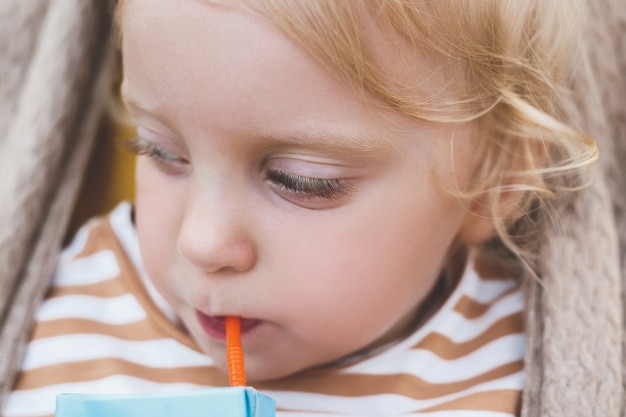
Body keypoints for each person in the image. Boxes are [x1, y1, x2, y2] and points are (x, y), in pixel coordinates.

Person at [2, 0, 598, 416]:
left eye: (301, 181)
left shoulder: (515, 364)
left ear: (495, 182)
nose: (201, 243)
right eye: (160, 150)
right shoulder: (63, 308)